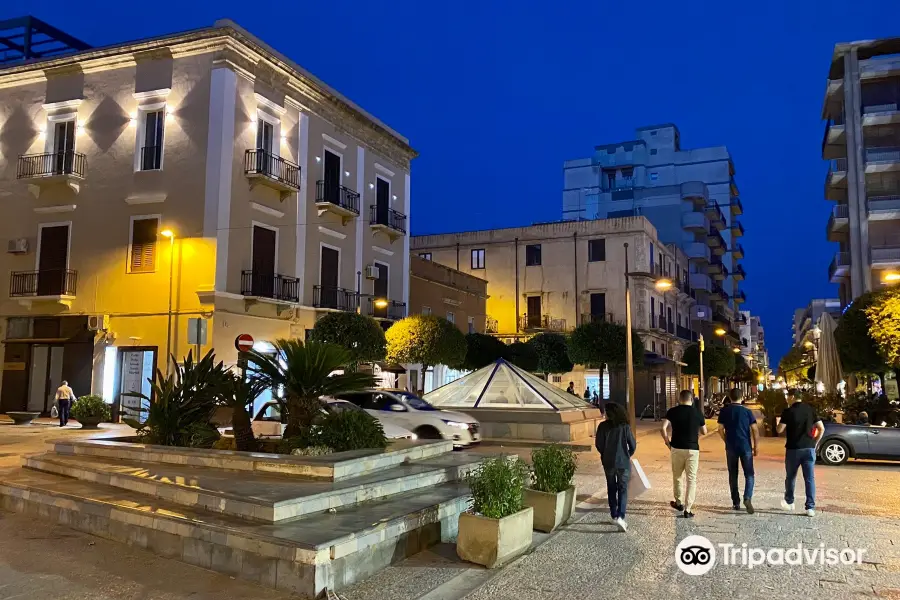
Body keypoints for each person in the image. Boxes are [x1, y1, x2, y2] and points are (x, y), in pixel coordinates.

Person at [777, 388, 825, 517]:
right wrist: (814, 443)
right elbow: (821, 428)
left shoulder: (788, 411)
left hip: (793, 449)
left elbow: (779, 429)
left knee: (791, 477)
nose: (787, 398)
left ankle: (789, 502)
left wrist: (779, 422)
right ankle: (810, 507)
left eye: (788, 396)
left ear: (792, 397)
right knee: (809, 479)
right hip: (809, 449)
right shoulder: (810, 409)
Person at [661, 390, 707, 518]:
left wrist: (667, 442)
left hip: (676, 448)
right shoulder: (697, 412)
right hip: (692, 449)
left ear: (679, 399)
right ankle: (688, 509)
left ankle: (679, 502)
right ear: (691, 399)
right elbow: (704, 432)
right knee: (691, 479)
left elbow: (663, 428)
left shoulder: (672, 411)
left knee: (677, 476)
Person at [595, 402, 636, 532]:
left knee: (611, 487)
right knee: (623, 489)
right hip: (623, 463)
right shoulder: (625, 427)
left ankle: (614, 514)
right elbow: (633, 445)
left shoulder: (602, 427)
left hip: (608, 462)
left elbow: (599, 444)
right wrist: (627, 454)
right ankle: (621, 516)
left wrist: (605, 454)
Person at [717, 388, 759, 514]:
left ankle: (736, 502)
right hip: (745, 446)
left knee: (733, 474)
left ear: (730, 398)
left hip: (731, 447)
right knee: (749, 474)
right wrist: (756, 447)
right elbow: (755, 430)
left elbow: (720, 429)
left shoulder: (724, 411)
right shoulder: (747, 412)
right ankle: (747, 497)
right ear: (742, 397)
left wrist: (726, 440)